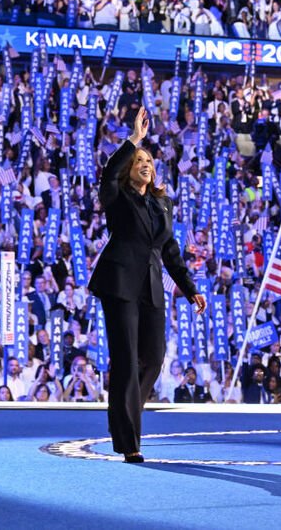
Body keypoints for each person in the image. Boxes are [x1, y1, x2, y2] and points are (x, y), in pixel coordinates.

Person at [88, 106, 206, 463]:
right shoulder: (116, 195)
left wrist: (189, 288)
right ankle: (129, 441)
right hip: (120, 282)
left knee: (153, 358)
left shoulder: (162, 203)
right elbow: (108, 174)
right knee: (125, 359)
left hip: (152, 287)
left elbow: (169, 249)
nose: (145, 163)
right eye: (139, 159)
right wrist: (134, 139)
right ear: (129, 167)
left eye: (149, 159)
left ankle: (123, 415)